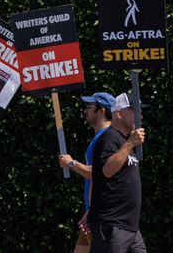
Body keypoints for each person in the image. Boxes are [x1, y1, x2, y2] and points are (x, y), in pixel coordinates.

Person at [84, 92, 147, 253]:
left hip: (128, 226)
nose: (140, 115)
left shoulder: (124, 140)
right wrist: (130, 144)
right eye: (134, 111)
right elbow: (107, 170)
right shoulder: (109, 138)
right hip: (111, 225)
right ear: (119, 113)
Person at [58, 92, 114, 253]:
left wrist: (72, 164)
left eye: (89, 107)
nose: (85, 111)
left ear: (102, 111)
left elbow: (100, 173)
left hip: (101, 213)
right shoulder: (101, 137)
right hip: (95, 211)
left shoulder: (107, 138)